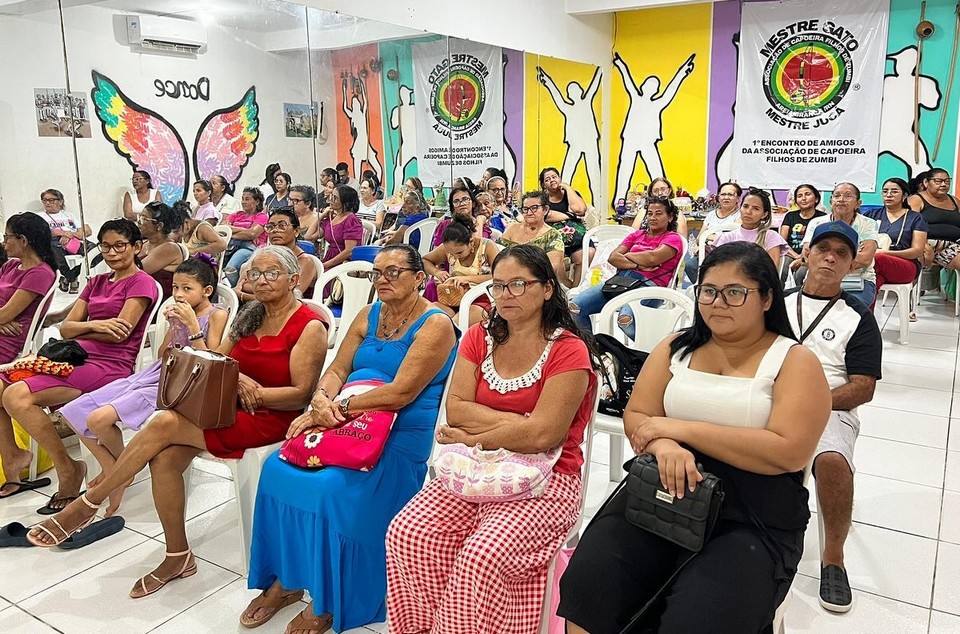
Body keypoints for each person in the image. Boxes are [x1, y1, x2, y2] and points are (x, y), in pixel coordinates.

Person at [25, 246, 328, 604]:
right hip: (225, 408)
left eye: (271, 273)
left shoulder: (309, 326)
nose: (261, 281)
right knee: (164, 459)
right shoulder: (250, 315)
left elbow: (299, 395)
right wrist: (235, 378)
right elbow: (216, 361)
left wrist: (256, 393)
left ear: (294, 279)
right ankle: (177, 555)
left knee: (164, 422)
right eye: (254, 274)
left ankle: (91, 501)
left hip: (271, 417)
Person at [559, 241, 831, 633]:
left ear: (767, 298)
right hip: (661, 492)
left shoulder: (793, 361)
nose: (718, 303)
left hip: (751, 510)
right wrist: (663, 445)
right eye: (708, 291)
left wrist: (679, 430)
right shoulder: (676, 347)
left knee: (700, 617)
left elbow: (788, 452)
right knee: (591, 583)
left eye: (734, 292)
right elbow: (638, 416)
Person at [241, 244, 456, 634]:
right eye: (378, 273)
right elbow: (337, 369)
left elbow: (402, 392)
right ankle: (288, 579)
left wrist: (338, 408)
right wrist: (321, 400)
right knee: (275, 470)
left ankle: (329, 599)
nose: (383, 279)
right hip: (345, 419)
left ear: (418, 278)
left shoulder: (435, 324)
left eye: (394, 272)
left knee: (329, 487)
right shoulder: (368, 314)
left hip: (397, 435)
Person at [386, 244, 597, 633]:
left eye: (519, 284)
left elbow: (545, 435)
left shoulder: (569, 350)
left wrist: (476, 434)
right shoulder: (478, 337)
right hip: (475, 466)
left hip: (549, 477)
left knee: (481, 557)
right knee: (408, 533)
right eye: (498, 286)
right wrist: (520, 423)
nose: (506, 295)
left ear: (547, 288)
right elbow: (457, 410)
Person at [0, 219, 158, 506]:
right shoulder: (96, 282)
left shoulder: (141, 282)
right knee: (3, 389)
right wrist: (96, 325)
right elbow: (66, 328)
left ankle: (68, 470)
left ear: (136, 247)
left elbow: (120, 333)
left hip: (111, 364)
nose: (112, 253)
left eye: (119, 246)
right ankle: (18, 458)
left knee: (16, 396)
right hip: (77, 357)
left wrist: (83, 327)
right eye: (106, 247)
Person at [57, 255, 227, 516]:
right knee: (73, 411)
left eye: (187, 288)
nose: (178, 295)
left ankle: (121, 472)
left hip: (183, 383)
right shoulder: (178, 313)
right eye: (175, 288)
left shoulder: (217, 315)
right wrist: (175, 328)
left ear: (206, 291)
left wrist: (192, 327)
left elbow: (212, 361)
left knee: (98, 419)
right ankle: (118, 470)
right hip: (157, 373)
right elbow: (162, 355)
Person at [783, 221, 882, 614]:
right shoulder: (778, 303)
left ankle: (834, 559)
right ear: (807, 253)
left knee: (832, 459)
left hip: (830, 406)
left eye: (841, 254)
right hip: (768, 397)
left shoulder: (858, 318)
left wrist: (811, 403)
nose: (829, 258)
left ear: (852, 265)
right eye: (823, 249)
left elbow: (862, 388)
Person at [570, 197, 684, 337]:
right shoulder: (637, 235)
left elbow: (652, 258)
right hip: (620, 282)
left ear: (670, 217)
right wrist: (638, 265)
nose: (653, 217)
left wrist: (628, 255)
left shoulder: (673, 238)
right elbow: (613, 257)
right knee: (575, 307)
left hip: (650, 286)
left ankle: (650, 349)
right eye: (650, 213)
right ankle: (592, 347)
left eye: (658, 213)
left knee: (625, 320)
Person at [801, 183, 879, 308]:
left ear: (858, 203)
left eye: (848, 196)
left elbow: (865, 259)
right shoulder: (817, 223)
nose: (841, 199)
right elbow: (806, 256)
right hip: (819, 279)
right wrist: (849, 255)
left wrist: (823, 259)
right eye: (837, 196)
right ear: (830, 201)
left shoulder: (868, 224)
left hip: (857, 282)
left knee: (850, 311)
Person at [862, 178, 928, 311]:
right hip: (875, 267)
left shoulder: (915, 218)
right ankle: (865, 319)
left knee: (877, 260)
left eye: (894, 191)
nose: (888, 195)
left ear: (904, 196)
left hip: (906, 265)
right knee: (871, 282)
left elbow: (917, 251)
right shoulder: (871, 215)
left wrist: (884, 253)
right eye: (885, 191)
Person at [0, 213, 58, 364]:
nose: (3, 242)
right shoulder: (11, 265)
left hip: (6, 342)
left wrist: (3, 319)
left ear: (23, 240)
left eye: (7, 237)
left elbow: (4, 315)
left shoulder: (39, 274)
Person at [423, 216, 499, 325]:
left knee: (457, 323)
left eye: (459, 253)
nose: (455, 257)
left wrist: (466, 279)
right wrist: (437, 272)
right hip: (453, 298)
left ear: (471, 242)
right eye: (451, 253)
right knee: (431, 318)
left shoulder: (487, 247)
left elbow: (500, 276)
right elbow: (425, 260)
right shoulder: (448, 248)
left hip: (482, 298)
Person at [235, 209, 319, 301]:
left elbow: (289, 298)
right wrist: (272, 290)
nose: (275, 230)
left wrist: (243, 295)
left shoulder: (305, 261)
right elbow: (242, 283)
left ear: (296, 231)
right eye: (270, 227)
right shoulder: (263, 256)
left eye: (281, 226)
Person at [498, 190, 566, 279]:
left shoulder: (553, 235)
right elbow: (497, 252)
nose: (529, 213)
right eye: (525, 209)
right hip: (506, 276)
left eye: (534, 208)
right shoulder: (512, 228)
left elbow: (552, 267)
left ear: (545, 210)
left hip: (538, 280)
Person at [712, 188, 788, 267]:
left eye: (756, 208)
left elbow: (772, 270)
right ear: (740, 208)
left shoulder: (771, 237)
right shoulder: (727, 237)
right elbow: (717, 268)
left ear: (764, 214)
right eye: (745, 206)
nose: (748, 212)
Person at [35, 188, 91, 294]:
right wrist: (61, 233)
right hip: (53, 242)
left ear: (60, 201)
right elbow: (40, 232)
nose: (47, 203)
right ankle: (72, 279)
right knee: (54, 250)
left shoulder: (69, 215)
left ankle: (67, 278)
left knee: (94, 251)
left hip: (73, 241)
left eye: (51, 200)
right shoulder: (40, 216)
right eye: (45, 200)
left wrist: (69, 235)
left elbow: (84, 232)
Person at [541, 167, 588, 286]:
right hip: (556, 240)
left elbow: (580, 210)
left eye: (554, 177)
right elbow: (547, 215)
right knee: (555, 256)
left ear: (560, 178)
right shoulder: (543, 199)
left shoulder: (571, 194)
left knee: (588, 252)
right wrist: (570, 215)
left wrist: (567, 188)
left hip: (577, 239)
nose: (552, 180)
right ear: (543, 185)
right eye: (547, 179)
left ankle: (575, 288)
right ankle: (564, 285)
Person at [908, 168, 960, 270]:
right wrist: (922, 245)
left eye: (947, 181)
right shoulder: (916, 200)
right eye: (938, 181)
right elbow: (907, 226)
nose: (943, 184)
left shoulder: (954, 200)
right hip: (926, 244)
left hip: (953, 245)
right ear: (926, 182)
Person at [137, 201, 189, 300]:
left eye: (144, 219)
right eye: (140, 217)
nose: (139, 221)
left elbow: (134, 272)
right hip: (140, 294)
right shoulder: (145, 243)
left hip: (155, 301)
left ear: (159, 226)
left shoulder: (169, 248)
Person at [222, 187, 269, 286]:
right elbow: (223, 230)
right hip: (230, 246)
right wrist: (245, 231)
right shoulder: (236, 215)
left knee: (231, 268)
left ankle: (233, 290)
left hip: (250, 248)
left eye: (247, 199)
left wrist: (231, 231)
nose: (243, 202)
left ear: (257, 202)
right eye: (242, 199)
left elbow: (252, 234)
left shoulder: (262, 216)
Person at [317, 184, 363, 268]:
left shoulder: (351, 220)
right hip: (330, 258)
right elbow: (308, 236)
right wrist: (321, 216)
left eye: (335, 198)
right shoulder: (332, 217)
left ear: (345, 203)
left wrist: (325, 265)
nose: (331, 200)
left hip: (343, 262)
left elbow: (349, 251)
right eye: (331, 196)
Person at [781, 183, 826, 266]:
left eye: (807, 194)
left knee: (802, 271)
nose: (803, 198)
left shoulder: (823, 217)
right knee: (784, 266)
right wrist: (796, 256)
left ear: (816, 199)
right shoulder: (790, 216)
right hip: (791, 254)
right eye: (799, 196)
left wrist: (805, 257)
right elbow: (782, 242)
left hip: (813, 256)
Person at [289, 184, 319, 254]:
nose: (290, 204)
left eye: (295, 201)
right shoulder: (288, 218)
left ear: (308, 204)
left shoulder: (317, 219)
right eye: (289, 200)